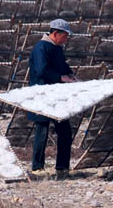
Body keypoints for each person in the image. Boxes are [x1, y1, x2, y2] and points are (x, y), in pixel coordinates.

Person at [28, 18, 79, 179]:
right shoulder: (41, 48)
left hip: (57, 96)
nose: (66, 39)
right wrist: (61, 78)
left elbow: (62, 66)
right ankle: (37, 167)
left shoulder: (57, 49)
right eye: (64, 36)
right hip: (43, 95)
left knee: (64, 131)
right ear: (55, 34)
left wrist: (71, 75)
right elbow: (42, 70)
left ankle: (62, 166)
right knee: (42, 131)